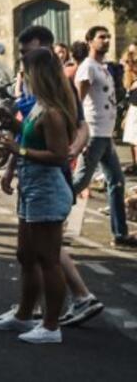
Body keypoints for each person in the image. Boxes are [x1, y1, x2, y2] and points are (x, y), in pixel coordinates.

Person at [0, 25, 104, 329]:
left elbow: (78, 127)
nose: (22, 61)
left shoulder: (58, 91)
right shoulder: (37, 91)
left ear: (44, 51)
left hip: (49, 179)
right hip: (33, 179)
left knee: (47, 253)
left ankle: (54, 318)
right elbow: (30, 135)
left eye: (26, 53)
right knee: (30, 253)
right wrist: (12, 161)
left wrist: (71, 149)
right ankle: (30, 312)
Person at [0, 48, 77, 344]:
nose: (21, 77)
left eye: (25, 72)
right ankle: (24, 315)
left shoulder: (52, 111)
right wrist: (13, 125)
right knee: (26, 255)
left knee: (47, 259)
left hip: (47, 190)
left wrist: (20, 150)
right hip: (32, 189)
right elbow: (31, 135)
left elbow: (59, 155)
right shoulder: (39, 106)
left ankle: (51, 326)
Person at [72, 26, 136, 248]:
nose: (106, 40)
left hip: (105, 136)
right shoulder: (87, 68)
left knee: (117, 182)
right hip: (93, 134)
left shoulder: (103, 68)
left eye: (108, 37)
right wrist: (77, 132)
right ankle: (50, 221)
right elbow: (76, 102)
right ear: (89, 41)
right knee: (79, 182)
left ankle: (120, 234)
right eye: (101, 37)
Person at [122, 43, 137, 173]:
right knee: (132, 142)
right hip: (133, 110)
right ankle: (135, 166)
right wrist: (126, 116)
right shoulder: (129, 75)